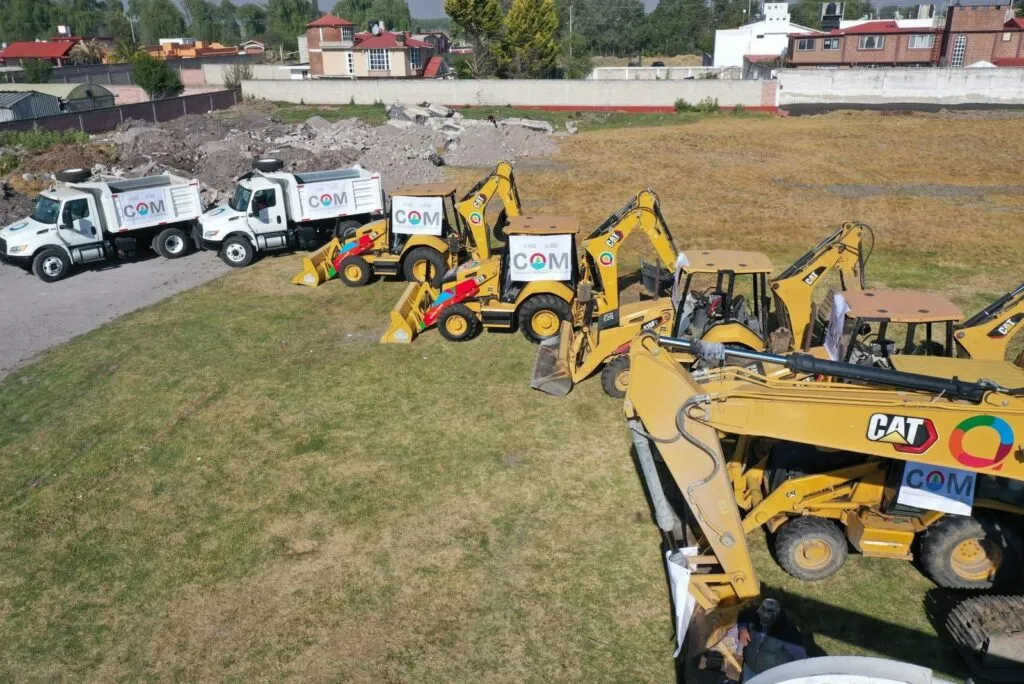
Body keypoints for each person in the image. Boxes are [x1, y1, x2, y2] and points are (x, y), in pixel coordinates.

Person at [737, 598, 808, 682]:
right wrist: (743, 629)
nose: (763, 623)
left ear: (776, 617)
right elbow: (743, 616)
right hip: (750, 666)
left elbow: (800, 656)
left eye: (767, 621)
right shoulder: (753, 614)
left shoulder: (788, 632)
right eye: (762, 619)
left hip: (771, 674)